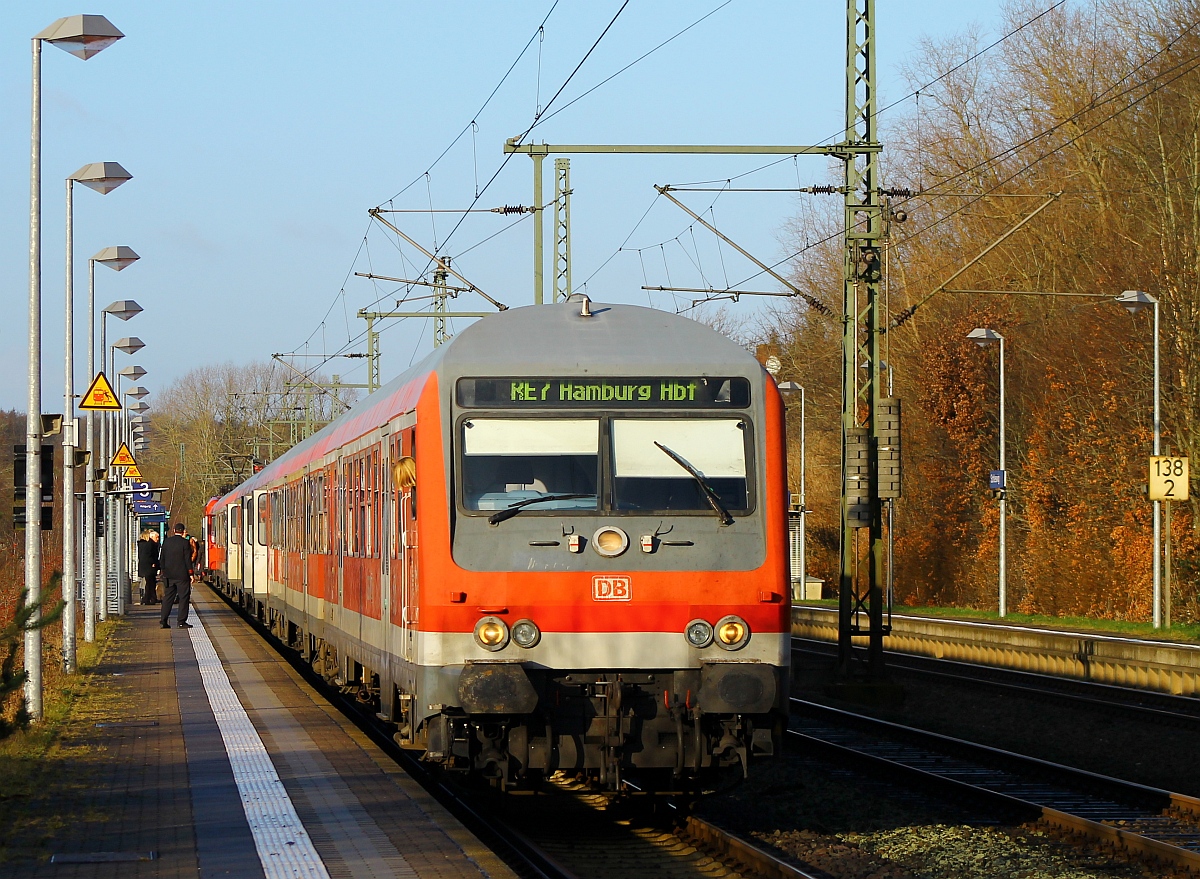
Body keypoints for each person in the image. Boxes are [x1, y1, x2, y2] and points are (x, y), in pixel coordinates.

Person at [160, 523, 195, 629]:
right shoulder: (185, 543)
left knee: (168, 598)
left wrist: (163, 571)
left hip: (169, 575)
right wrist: (191, 573)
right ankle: (181, 621)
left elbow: (162, 558)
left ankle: (163, 620)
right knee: (184, 598)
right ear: (183, 531)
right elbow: (187, 560)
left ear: (174, 530)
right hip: (182, 576)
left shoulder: (167, 542)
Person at [136, 529, 160, 606]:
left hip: (146, 567)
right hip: (149, 567)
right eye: (157, 537)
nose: (158, 539)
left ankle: (151, 598)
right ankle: (148, 598)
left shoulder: (145, 544)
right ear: (152, 537)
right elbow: (150, 556)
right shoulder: (150, 545)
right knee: (149, 583)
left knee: (150, 583)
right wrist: (153, 563)